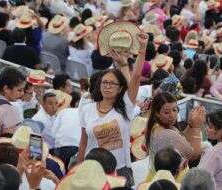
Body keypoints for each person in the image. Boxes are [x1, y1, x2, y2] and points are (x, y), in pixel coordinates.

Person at [78, 32, 149, 187]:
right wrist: (78, 168)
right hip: (93, 169)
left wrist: (142, 48)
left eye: (112, 84)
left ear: (120, 89)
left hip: (120, 169)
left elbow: (136, 76)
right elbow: (83, 143)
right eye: (104, 83)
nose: (107, 86)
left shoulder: (125, 107)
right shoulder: (87, 108)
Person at [145, 92, 205, 181]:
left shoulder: (156, 126)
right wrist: (196, 127)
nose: (172, 115)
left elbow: (181, 139)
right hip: (170, 180)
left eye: (174, 110)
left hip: (159, 176)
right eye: (166, 112)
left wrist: (191, 125)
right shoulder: (166, 134)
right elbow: (193, 155)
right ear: (157, 113)